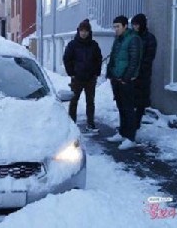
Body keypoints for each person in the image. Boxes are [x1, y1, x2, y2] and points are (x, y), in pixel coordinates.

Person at [106, 15, 142, 150]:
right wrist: (110, 73)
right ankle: (122, 132)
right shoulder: (119, 39)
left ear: (125, 26)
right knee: (121, 107)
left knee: (128, 109)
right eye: (114, 27)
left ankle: (131, 138)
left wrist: (126, 78)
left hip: (126, 81)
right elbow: (114, 58)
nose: (115, 29)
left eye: (118, 27)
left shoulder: (133, 39)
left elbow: (134, 61)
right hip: (116, 79)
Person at [63, 19, 102, 133]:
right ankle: (71, 124)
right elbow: (67, 59)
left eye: (86, 31)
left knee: (90, 102)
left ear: (89, 32)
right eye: (82, 30)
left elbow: (98, 59)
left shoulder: (94, 45)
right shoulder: (73, 45)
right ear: (78, 31)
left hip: (90, 79)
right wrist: (72, 73)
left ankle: (90, 124)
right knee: (74, 101)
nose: (83, 33)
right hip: (77, 79)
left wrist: (96, 73)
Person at [131, 13, 157, 130]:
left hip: (142, 75)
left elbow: (149, 58)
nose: (134, 27)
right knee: (130, 101)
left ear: (141, 25)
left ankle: (135, 125)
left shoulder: (149, 38)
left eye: (136, 25)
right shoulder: (131, 37)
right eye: (133, 25)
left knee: (140, 101)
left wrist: (139, 70)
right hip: (130, 75)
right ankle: (130, 125)